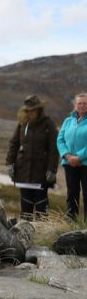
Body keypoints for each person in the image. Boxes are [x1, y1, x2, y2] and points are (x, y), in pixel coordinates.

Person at [5, 95, 58, 220]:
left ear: (39, 110)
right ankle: (25, 230)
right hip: (23, 170)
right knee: (26, 203)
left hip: (41, 171)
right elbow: (14, 144)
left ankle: (43, 231)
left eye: (33, 110)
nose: (31, 112)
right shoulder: (22, 124)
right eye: (28, 110)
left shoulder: (48, 124)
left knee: (41, 203)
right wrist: (9, 163)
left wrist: (52, 169)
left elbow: (54, 149)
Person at [57, 92, 87, 221]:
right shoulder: (68, 121)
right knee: (71, 195)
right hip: (69, 164)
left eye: (85, 103)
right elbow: (60, 139)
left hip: (85, 164)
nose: (82, 106)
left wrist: (79, 157)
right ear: (75, 105)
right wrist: (67, 156)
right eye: (79, 103)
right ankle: (70, 223)